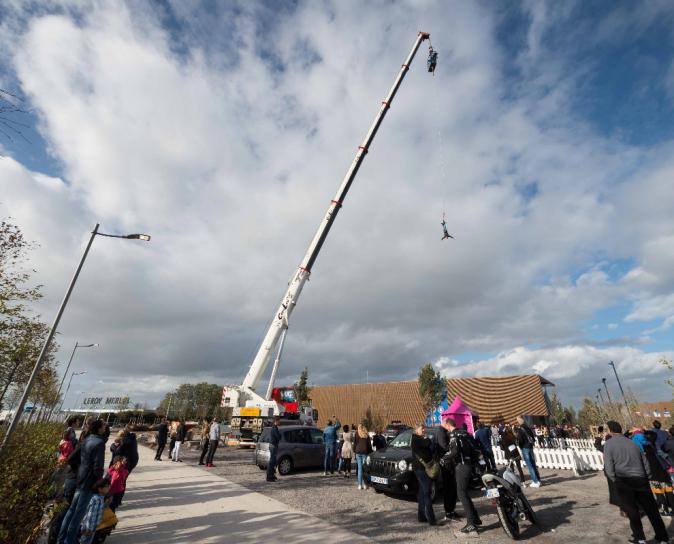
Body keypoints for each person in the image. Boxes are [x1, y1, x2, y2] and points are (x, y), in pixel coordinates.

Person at [603, 420, 669, 544]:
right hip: (641, 478)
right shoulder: (632, 442)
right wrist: (647, 476)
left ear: (610, 431)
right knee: (652, 509)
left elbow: (609, 466)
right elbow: (645, 461)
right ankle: (662, 537)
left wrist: (614, 479)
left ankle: (640, 538)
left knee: (632, 510)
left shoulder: (609, 444)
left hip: (624, 479)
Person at [57, 419, 106, 544]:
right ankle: (69, 541)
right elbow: (98, 466)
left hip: (80, 478)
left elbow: (73, 457)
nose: (105, 427)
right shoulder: (99, 442)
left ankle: (61, 540)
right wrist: (99, 481)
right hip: (89, 482)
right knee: (78, 515)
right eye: (104, 426)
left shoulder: (87, 439)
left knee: (71, 511)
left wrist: (79, 470)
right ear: (99, 428)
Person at [445, 417, 481, 535]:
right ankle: (475, 518)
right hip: (469, 464)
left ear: (448, 425)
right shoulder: (465, 433)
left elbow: (454, 451)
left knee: (461, 494)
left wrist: (445, 458)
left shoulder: (453, 435)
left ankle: (471, 523)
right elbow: (475, 448)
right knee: (464, 493)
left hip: (462, 466)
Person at [411, 423, 437, 525]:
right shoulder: (417, 439)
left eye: (424, 429)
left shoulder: (418, 438)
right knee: (427, 493)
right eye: (422, 429)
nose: (424, 430)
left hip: (421, 469)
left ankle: (421, 516)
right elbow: (428, 442)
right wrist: (426, 437)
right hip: (421, 469)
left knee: (422, 493)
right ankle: (431, 519)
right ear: (416, 430)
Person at [644, 430, 674, 517]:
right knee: (669, 492)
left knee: (659, 493)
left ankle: (665, 510)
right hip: (664, 472)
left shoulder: (646, 449)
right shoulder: (658, 447)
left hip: (654, 474)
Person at [436, 417, 460, 522]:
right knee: (449, 488)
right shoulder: (441, 432)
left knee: (452, 488)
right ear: (445, 423)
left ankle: (452, 510)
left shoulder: (443, 431)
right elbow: (444, 447)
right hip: (446, 464)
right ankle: (448, 512)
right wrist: (452, 445)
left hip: (449, 463)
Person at [78, 478, 109, 544]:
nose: (108, 488)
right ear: (100, 489)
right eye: (106, 486)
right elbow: (91, 515)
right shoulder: (97, 500)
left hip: (91, 527)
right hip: (89, 528)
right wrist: (89, 529)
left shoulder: (99, 498)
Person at [516, 416, 541, 487]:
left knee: (530, 465)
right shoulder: (528, 428)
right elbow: (533, 438)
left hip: (525, 448)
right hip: (530, 447)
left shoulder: (520, 430)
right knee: (533, 464)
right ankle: (538, 480)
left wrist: (520, 445)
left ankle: (535, 481)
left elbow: (520, 440)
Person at [353, 424, 372, 490]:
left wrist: (354, 450)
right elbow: (369, 445)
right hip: (365, 452)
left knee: (360, 469)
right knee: (365, 469)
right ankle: (365, 484)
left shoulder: (356, 433)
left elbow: (355, 443)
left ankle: (359, 485)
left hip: (358, 452)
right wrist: (370, 452)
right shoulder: (366, 434)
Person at [267, 416, 281, 482]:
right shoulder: (275, 428)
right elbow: (278, 437)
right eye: (279, 421)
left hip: (273, 445)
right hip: (273, 446)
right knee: (272, 462)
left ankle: (272, 475)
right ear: (276, 421)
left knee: (273, 462)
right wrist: (279, 435)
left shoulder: (274, 428)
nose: (279, 422)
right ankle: (269, 477)